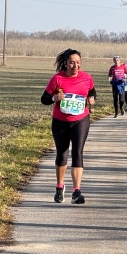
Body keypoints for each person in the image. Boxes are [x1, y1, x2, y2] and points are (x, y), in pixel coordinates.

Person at [41, 48, 96, 204]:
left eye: (78, 62)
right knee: (62, 154)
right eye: (72, 63)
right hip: (60, 121)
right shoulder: (57, 79)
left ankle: (76, 192)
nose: (75, 66)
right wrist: (55, 98)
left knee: (78, 153)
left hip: (80, 120)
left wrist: (92, 99)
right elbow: (44, 99)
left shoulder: (86, 78)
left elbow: (92, 92)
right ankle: (59, 187)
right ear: (65, 63)